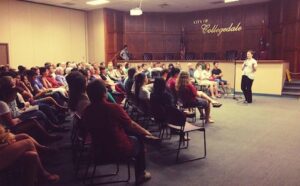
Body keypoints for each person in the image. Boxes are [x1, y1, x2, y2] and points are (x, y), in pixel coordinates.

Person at [81, 79, 158, 184]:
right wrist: (146, 132)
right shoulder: (113, 108)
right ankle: (141, 174)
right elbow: (131, 124)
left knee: (132, 134)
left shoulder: (86, 111)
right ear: (104, 93)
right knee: (139, 140)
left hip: (98, 149)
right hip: (117, 149)